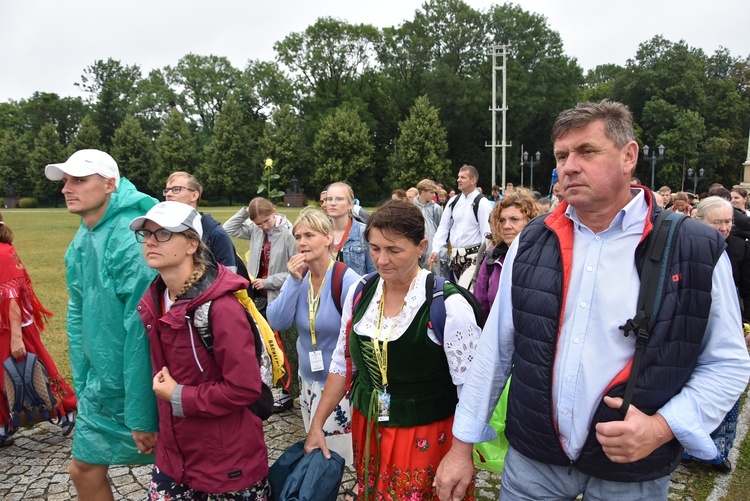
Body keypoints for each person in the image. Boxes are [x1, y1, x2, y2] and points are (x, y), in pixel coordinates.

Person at [435, 100, 750, 500]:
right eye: (562, 155)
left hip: (630, 472)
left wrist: (661, 428)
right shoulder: (532, 239)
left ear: (628, 156)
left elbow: (727, 363)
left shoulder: (694, 245)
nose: (569, 166)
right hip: (534, 462)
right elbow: (495, 351)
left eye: (587, 151)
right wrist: (462, 445)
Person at [305, 201, 481, 500]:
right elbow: (341, 365)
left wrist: (462, 453)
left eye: (393, 250)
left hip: (426, 431)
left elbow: (473, 389)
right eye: (374, 248)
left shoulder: (448, 305)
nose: (381, 259)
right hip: (369, 424)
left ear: (421, 246)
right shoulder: (361, 292)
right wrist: (316, 425)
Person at [131, 201, 270, 499]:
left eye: (164, 234)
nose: (151, 240)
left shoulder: (221, 309)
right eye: (146, 233)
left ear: (192, 243)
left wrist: (179, 396)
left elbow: (245, 388)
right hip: (173, 457)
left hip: (227, 463)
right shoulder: (153, 301)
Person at [45, 149, 158, 501]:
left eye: (79, 180)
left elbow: (142, 329)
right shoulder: (84, 236)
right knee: (84, 469)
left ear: (110, 184)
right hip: (101, 384)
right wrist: (84, 380)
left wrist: (142, 413)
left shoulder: (128, 240)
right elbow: (77, 312)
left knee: (173, 470)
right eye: (65, 180)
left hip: (143, 384)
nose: (66, 188)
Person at [267, 208, 360, 464]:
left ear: (328, 238)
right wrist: (293, 282)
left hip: (339, 386)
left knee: (345, 453)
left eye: (309, 235)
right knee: (319, 449)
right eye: (298, 236)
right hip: (308, 383)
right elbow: (276, 320)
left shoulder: (346, 279)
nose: (302, 242)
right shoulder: (301, 277)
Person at [0, 212, 77, 446]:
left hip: (12, 329)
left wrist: (16, 338)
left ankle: (66, 409)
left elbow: (12, 297)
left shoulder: (3, 253)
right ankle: (5, 425)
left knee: (34, 370)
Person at [687, 196, 750, 472]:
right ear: (699, 220)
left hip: (731, 321)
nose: (724, 227)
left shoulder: (739, 248)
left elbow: (746, 287)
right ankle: (687, 445)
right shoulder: (687, 247)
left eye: (728, 221)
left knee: (725, 382)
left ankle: (716, 449)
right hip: (694, 324)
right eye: (718, 222)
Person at [223, 197, 297, 412]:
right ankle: (268, 385)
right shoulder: (256, 230)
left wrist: (268, 281)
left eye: (267, 221)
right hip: (257, 296)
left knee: (283, 345)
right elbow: (229, 228)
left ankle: (287, 392)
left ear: (274, 211)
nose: (264, 226)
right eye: (259, 224)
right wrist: (247, 211)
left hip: (278, 295)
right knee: (263, 343)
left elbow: (296, 271)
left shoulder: (288, 233)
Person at [474, 193, 539, 321]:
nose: (506, 226)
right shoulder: (491, 259)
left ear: (531, 222)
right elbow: (479, 308)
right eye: (502, 220)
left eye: (514, 219)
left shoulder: (543, 258)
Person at [428, 165, 492, 286]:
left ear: (473, 181)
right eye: (458, 177)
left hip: (474, 256)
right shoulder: (453, 201)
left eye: (463, 177)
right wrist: (436, 249)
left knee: (464, 293)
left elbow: (487, 233)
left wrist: (484, 261)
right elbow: (443, 227)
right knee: (462, 293)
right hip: (455, 257)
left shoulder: (482, 203)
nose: (458, 180)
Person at [163, 171, 238, 272]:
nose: (169, 194)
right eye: (167, 190)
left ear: (194, 195)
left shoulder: (216, 234)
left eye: (176, 189)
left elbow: (230, 279)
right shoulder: (162, 229)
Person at [326, 182, 375, 276]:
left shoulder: (364, 232)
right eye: (329, 199)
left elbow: (373, 274)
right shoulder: (321, 233)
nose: (332, 203)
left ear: (350, 205)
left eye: (339, 199)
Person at [413, 179, 443, 272]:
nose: (434, 195)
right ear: (423, 192)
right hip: (416, 246)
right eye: (431, 192)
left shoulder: (436, 209)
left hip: (432, 248)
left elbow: (441, 229)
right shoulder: (412, 208)